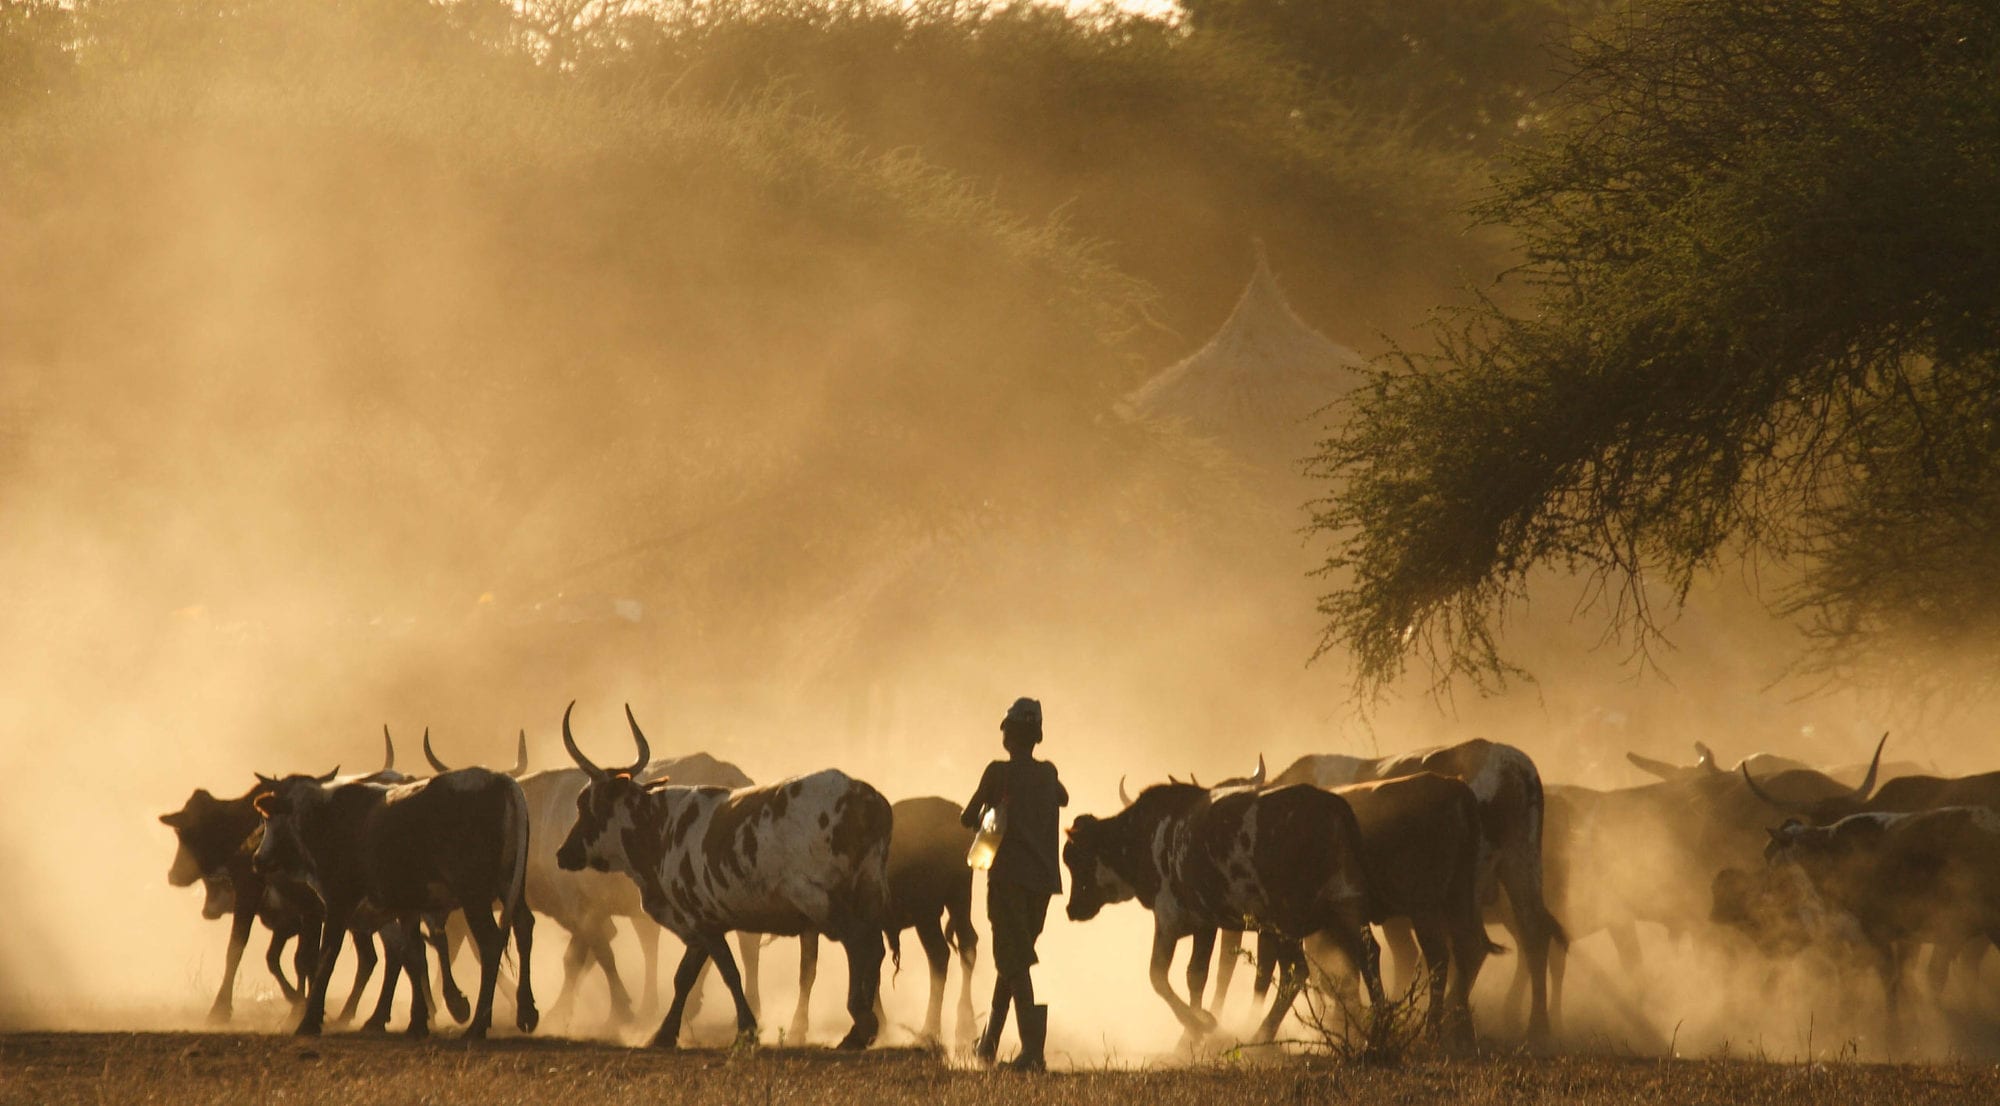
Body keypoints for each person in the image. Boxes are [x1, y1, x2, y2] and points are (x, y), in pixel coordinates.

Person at [962, 696, 1066, 1072]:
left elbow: (965, 817)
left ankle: (1032, 1054)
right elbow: (1063, 797)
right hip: (1043, 885)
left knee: (1013, 960)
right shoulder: (1049, 773)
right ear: (1036, 736)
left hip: (1007, 880)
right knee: (1012, 961)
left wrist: (989, 816)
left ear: (1008, 735)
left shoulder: (996, 774)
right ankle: (988, 1043)